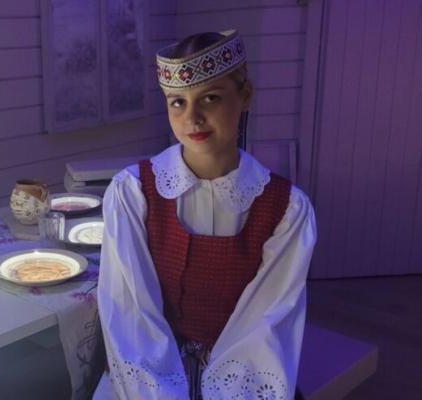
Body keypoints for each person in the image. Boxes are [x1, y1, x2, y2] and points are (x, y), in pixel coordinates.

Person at [93, 30, 317, 399]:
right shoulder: (132, 192)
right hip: (148, 373)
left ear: (245, 96)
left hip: (244, 376)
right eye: (177, 102)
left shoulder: (287, 209)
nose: (192, 117)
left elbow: (266, 324)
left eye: (210, 98)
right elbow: (130, 310)